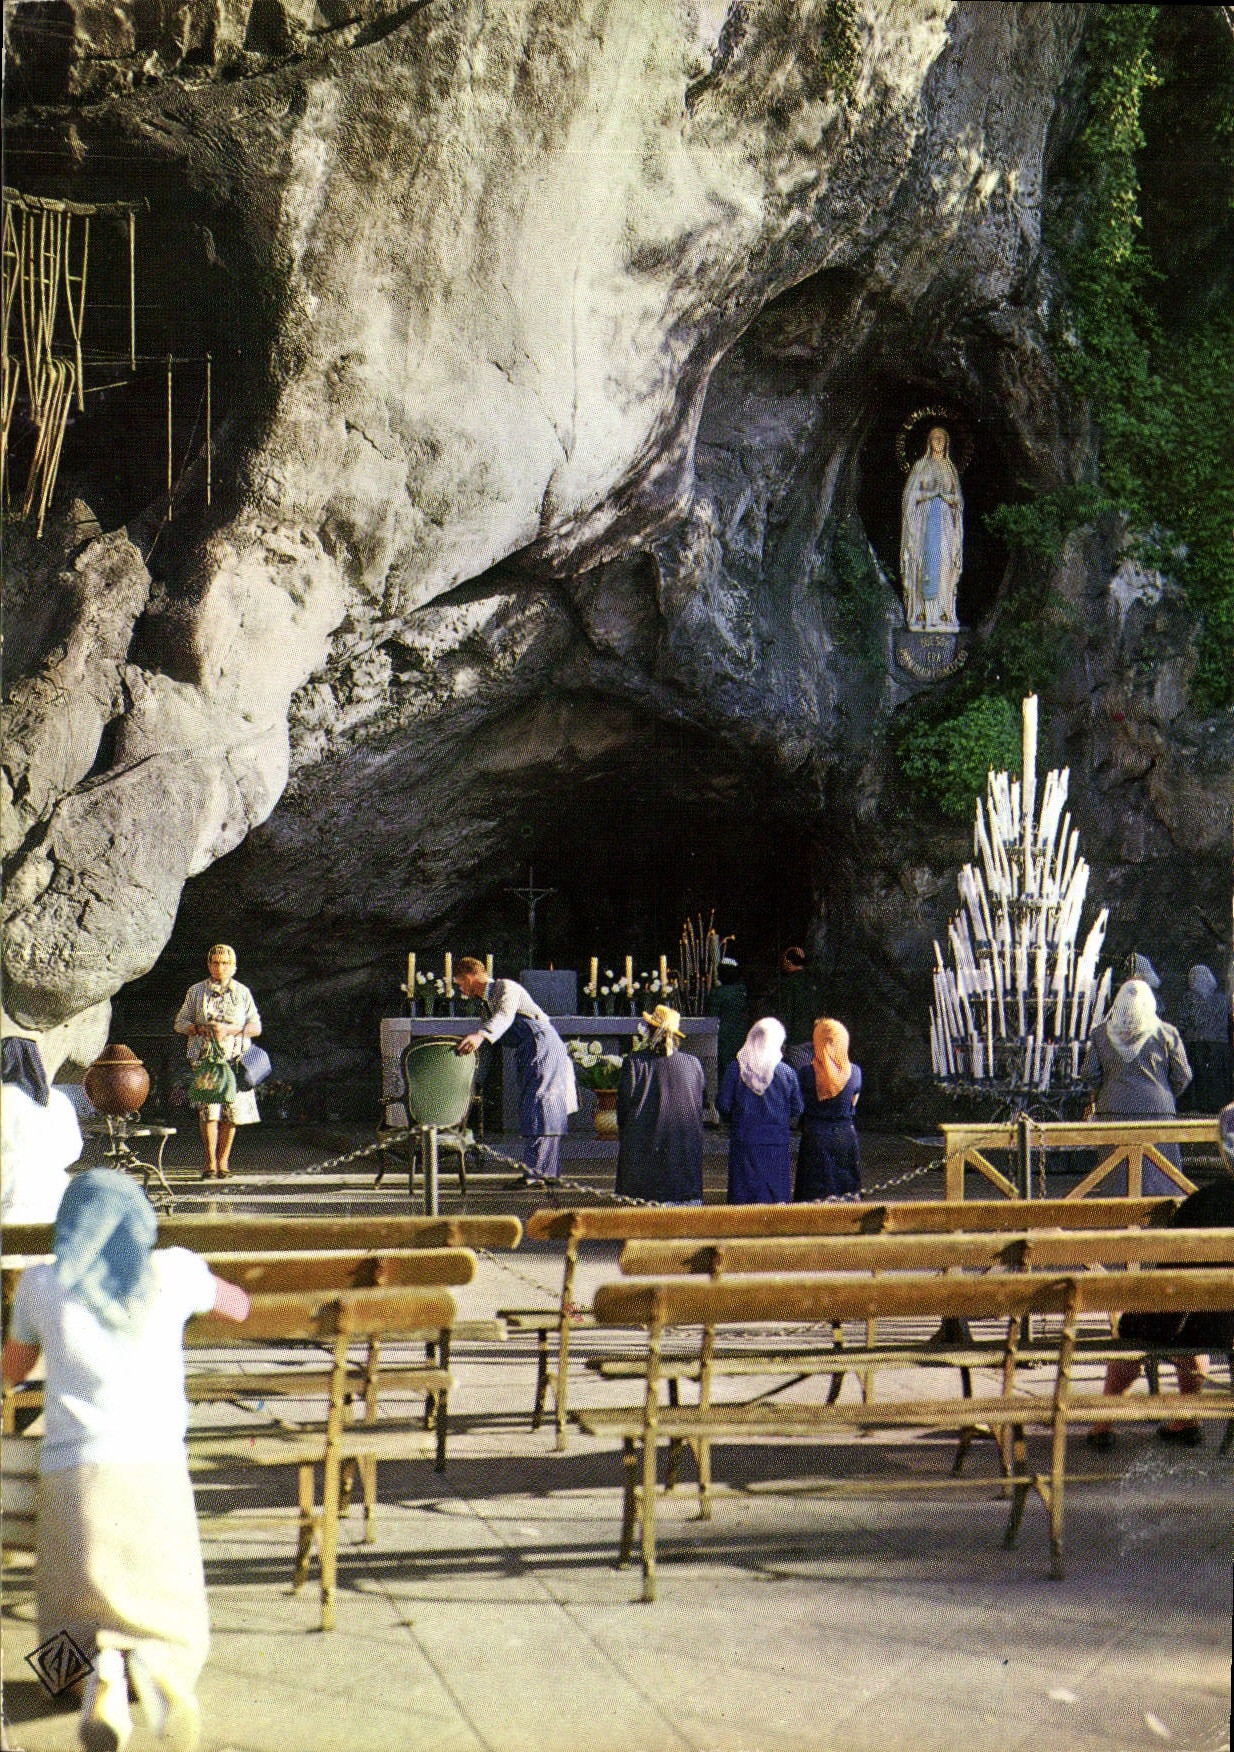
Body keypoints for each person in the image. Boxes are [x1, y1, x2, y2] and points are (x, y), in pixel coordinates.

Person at [2, 1168, 250, 1752]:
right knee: (171, 1609)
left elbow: (11, 1370)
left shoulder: (41, 1283)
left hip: (72, 1480)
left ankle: (98, 1675)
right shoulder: (175, 1272)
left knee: (66, 1615)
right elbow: (238, 1306)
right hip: (156, 1474)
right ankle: (158, 1670)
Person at [1088, 1101, 1234, 1452]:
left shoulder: (1204, 1203)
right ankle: (1185, 1416)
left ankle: (1106, 1418)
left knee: (1141, 1326)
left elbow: (1171, 1274)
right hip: (1224, 1324)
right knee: (1192, 1321)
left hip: (1202, 1316)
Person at [455, 957, 577, 1182]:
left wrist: (480, 1035)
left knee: (541, 1105)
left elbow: (505, 1015)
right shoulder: (485, 1003)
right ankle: (542, 1172)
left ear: (470, 976)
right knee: (533, 1107)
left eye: (460, 983)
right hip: (528, 1051)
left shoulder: (505, 987)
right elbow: (493, 1038)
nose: (460, 989)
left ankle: (537, 1174)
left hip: (543, 1046)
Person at [1080, 978, 1192, 1194]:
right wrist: (1167, 1092)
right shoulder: (1166, 1033)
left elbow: (1089, 1072)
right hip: (1158, 1111)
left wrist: (1106, 1090)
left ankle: (1120, 1218)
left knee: (1117, 1175)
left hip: (1114, 1109)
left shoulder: (1101, 1033)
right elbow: (1183, 1074)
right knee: (1161, 1173)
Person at [173, 944, 262, 1181]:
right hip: (206, 1062)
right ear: (209, 964)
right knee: (209, 1112)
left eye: (224, 963)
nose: (219, 967)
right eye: (214, 962)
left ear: (233, 966)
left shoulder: (242, 993)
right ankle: (209, 1163)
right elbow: (179, 1023)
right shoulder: (196, 991)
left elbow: (256, 1027)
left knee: (231, 1113)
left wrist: (231, 1030)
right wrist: (199, 1028)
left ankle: (224, 1162)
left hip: (235, 1061)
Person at [615, 1004, 705, 1204]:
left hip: (644, 1163)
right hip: (684, 1161)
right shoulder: (693, 1064)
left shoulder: (635, 1063)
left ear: (649, 1031)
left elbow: (623, 1111)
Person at [718, 1018, 805, 1204]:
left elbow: (724, 1104)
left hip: (744, 1141)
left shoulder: (736, 1070)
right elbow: (798, 1108)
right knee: (774, 1197)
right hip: (776, 1142)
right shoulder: (787, 1073)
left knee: (743, 1200)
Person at [1, 1037, 82, 1224]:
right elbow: (73, 1150)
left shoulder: (4, 1097)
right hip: (52, 1191)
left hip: (9, 1192)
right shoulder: (59, 1099)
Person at [900, 425, 962, 631]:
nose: (938, 441)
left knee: (944, 562)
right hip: (924, 520)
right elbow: (910, 496)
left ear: (946, 443)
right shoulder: (921, 466)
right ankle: (924, 613)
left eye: (941, 438)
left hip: (944, 522)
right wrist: (929, 495)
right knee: (925, 563)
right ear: (928, 441)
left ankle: (942, 614)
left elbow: (958, 500)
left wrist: (945, 497)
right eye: (934, 437)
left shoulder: (950, 468)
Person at [795, 1018, 862, 1200]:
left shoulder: (807, 1074)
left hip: (814, 1136)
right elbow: (853, 1102)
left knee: (813, 1191)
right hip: (844, 1135)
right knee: (845, 1190)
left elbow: (800, 1104)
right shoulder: (855, 1072)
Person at [1177, 964, 1231, 1113]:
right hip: (1219, 1046)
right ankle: (1216, 1108)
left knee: (1197, 1079)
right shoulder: (1222, 999)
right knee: (1216, 1079)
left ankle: (1197, 1108)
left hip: (1196, 1046)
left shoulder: (1189, 998)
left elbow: (1183, 1022)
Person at [768, 947, 825, 1056]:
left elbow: (786, 1013)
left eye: (784, 961)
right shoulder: (814, 982)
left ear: (789, 962)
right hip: (814, 1039)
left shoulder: (788, 984)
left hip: (796, 1042)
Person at [705, 955, 749, 1083]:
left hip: (722, 1042)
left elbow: (710, 1019)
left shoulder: (717, 994)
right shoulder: (742, 992)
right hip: (740, 1041)